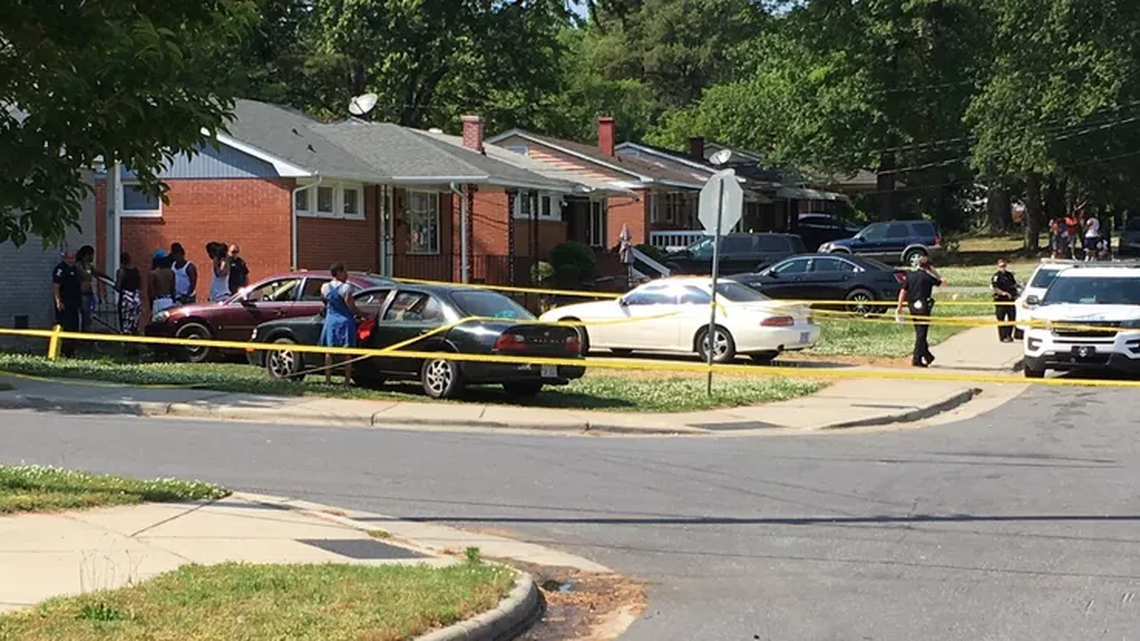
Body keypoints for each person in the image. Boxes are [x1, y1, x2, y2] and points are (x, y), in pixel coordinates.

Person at [896, 255, 947, 368]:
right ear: (929, 266)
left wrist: (899, 306)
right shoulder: (927, 278)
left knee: (919, 332)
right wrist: (936, 273)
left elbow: (903, 291)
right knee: (921, 333)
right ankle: (916, 359)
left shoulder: (910, 276)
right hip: (923, 306)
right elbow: (943, 282)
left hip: (912, 306)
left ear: (918, 264)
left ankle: (927, 355)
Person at [318, 262, 363, 385]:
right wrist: (363, 314)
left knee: (329, 351)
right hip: (345, 321)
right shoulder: (346, 288)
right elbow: (351, 306)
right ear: (338, 273)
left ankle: (327, 381)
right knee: (347, 352)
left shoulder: (325, 287)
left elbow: (324, 301)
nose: (347, 275)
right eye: (345, 272)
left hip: (330, 320)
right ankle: (346, 382)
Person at [52, 250, 82, 357]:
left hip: (74, 303)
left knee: (74, 327)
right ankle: (64, 351)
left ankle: (71, 351)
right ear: (65, 258)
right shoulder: (60, 269)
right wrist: (58, 301)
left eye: (73, 258)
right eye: (69, 258)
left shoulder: (74, 269)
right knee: (65, 326)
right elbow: (56, 286)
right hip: (65, 304)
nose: (71, 260)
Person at [991, 259, 1019, 343]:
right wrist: (1003, 293)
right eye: (1001, 266)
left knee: (1012, 318)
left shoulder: (1009, 275)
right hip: (1000, 301)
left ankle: (1009, 335)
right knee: (1001, 319)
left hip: (1010, 300)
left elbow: (1014, 285)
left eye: (1004, 266)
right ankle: (1003, 337)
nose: (1002, 268)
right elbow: (995, 288)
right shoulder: (996, 276)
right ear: (998, 266)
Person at [116, 252, 143, 335]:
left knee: (125, 324)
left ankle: (127, 344)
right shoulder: (136, 271)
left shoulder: (121, 271)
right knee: (134, 323)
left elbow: (118, 286)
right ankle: (135, 343)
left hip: (126, 299)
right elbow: (140, 285)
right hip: (136, 298)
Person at [76, 245, 98, 333]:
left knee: (89, 315)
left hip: (89, 293)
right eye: (92, 255)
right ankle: (84, 335)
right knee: (85, 315)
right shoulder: (78, 265)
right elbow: (85, 274)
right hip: (82, 294)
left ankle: (88, 333)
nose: (93, 257)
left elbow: (96, 273)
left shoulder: (89, 265)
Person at [149, 250, 177, 319]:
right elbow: (173, 289)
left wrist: (151, 304)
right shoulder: (171, 272)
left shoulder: (153, 273)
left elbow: (150, 291)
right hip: (169, 300)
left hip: (158, 301)